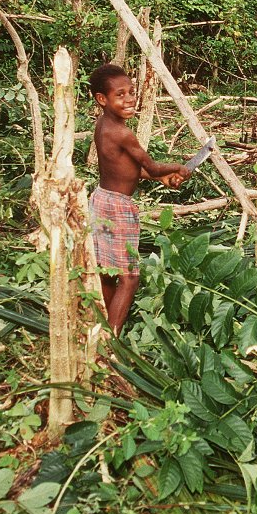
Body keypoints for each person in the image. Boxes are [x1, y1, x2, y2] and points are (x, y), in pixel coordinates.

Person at [89, 63, 190, 334]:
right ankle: (112, 339)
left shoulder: (104, 125)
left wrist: (158, 178)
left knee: (109, 271)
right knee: (130, 278)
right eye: (120, 94)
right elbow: (154, 166)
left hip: (101, 199)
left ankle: (104, 326)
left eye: (131, 92)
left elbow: (126, 169)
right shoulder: (123, 132)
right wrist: (176, 168)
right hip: (118, 207)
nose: (130, 98)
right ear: (102, 99)